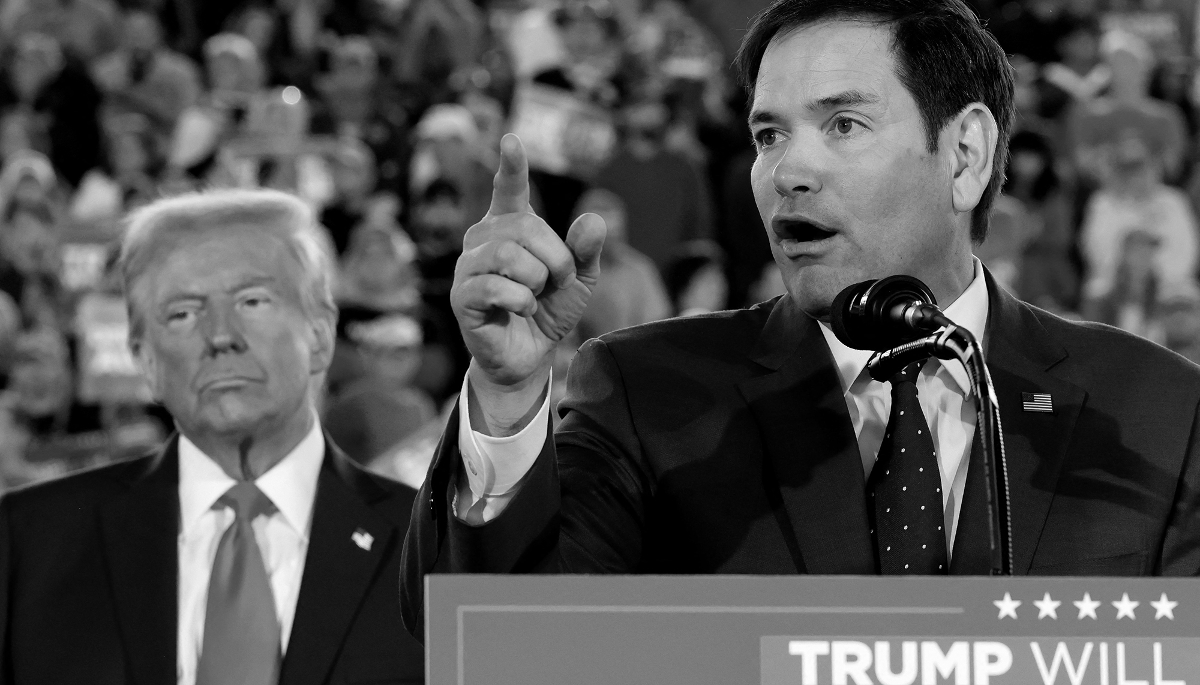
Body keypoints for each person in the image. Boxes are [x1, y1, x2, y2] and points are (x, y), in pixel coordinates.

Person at [400, 0, 1200, 642]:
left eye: (843, 124)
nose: (788, 170)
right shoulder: (650, 394)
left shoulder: (1156, 409)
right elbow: (504, 640)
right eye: (768, 134)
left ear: (965, 156)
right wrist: (506, 398)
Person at [0, 190, 424, 683]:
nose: (221, 335)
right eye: (183, 313)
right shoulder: (25, 545)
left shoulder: (440, 549)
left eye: (252, 301)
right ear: (146, 361)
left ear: (319, 334)